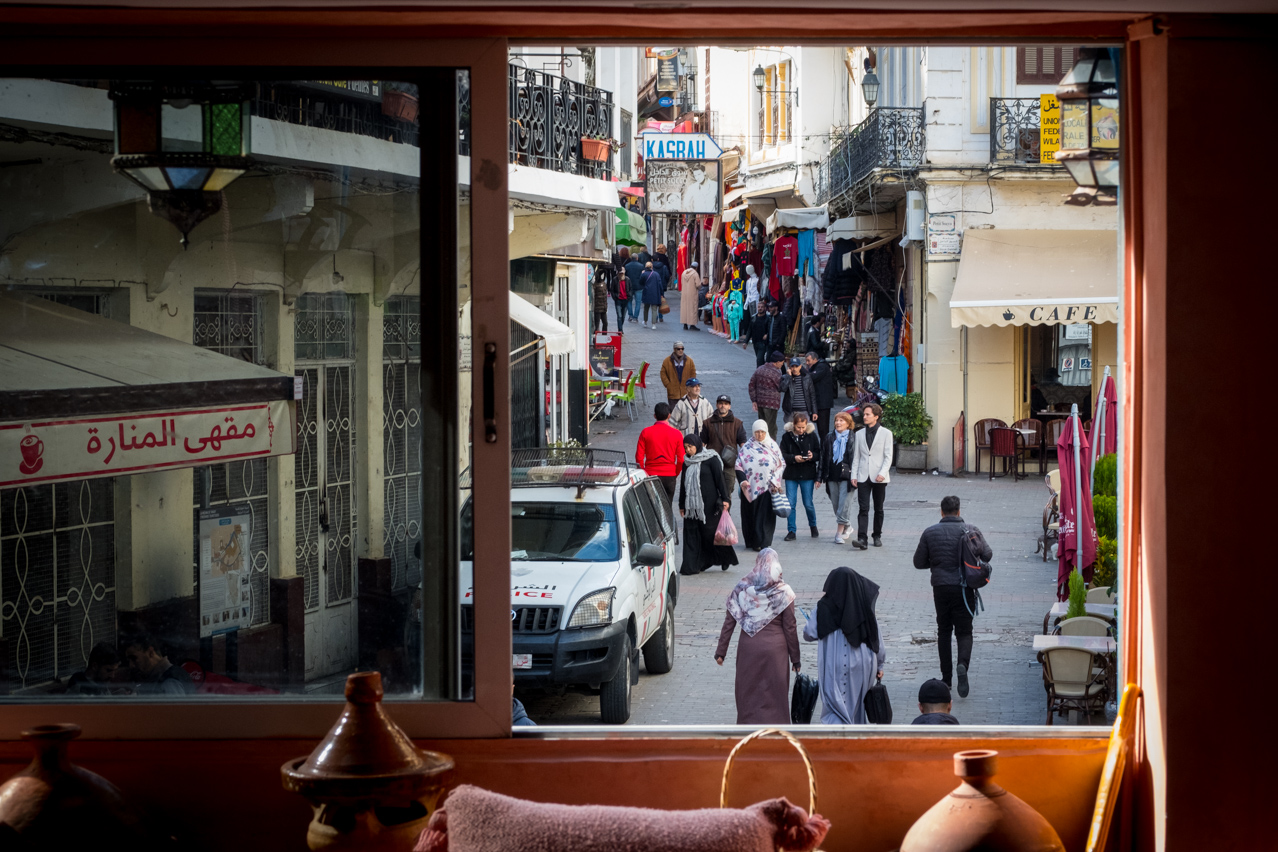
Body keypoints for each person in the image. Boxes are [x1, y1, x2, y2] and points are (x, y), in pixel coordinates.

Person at [912, 495, 992, 698]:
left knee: (944, 631)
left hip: (940, 587)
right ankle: (962, 665)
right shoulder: (970, 530)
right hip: (964, 587)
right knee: (964, 632)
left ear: (941, 511)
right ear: (959, 511)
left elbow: (918, 562)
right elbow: (988, 555)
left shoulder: (930, 532)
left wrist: (937, 563)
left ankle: (946, 679)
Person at [714, 548, 801, 725]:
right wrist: (795, 659)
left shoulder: (742, 589)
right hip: (776, 652)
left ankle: (748, 730)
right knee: (775, 693)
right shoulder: (784, 592)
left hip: (749, 649)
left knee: (748, 692)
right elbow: (790, 628)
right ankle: (777, 733)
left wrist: (721, 652)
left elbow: (729, 621)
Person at [801, 566, 886, 724]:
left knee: (835, 706)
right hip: (864, 664)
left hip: (835, 663)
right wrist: (880, 665)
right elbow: (877, 639)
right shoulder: (864, 606)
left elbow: (809, 634)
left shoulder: (823, 607)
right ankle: (855, 737)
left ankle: (838, 737)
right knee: (858, 706)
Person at [678, 434, 737, 575]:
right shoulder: (686, 463)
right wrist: (682, 505)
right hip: (691, 507)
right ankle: (692, 566)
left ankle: (724, 558)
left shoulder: (711, 459)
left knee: (711, 534)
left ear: (698, 445)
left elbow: (720, 481)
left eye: (690, 447)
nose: (688, 450)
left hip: (709, 506)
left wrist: (725, 499)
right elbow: (683, 485)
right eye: (685, 447)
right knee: (692, 534)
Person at [735, 420, 785, 551]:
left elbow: (781, 464)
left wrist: (775, 481)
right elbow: (738, 465)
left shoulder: (773, 446)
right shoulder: (747, 447)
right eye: (757, 432)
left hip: (768, 487)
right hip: (750, 487)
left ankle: (764, 541)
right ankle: (752, 541)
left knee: (765, 516)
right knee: (750, 515)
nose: (760, 435)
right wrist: (742, 481)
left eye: (762, 432)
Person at [849, 402, 893, 551]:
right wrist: (854, 475)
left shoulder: (886, 433)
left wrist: (882, 472)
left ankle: (877, 535)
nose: (865, 417)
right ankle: (862, 538)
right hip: (863, 475)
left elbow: (888, 456)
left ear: (876, 416)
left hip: (879, 476)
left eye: (868, 414)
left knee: (879, 508)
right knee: (863, 508)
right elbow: (857, 457)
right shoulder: (859, 433)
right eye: (864, 414)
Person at [816, 410, 857, 544]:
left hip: (847, 475)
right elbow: (823, 457)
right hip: (831, 475)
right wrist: (819, 477)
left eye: (842, 421)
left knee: (844, 505)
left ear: (848, 423)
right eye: (836, 421)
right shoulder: (829, 437)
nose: (838, 423)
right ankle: (848, 526)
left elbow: (857, 458)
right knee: (836, 504)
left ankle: (838, 533)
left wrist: (857, 475)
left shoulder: (853, 437)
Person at [779, 411, 821, 542]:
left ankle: (813, 525)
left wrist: (812, 456)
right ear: (793, 425)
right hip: (791, 473)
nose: (801, 430)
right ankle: (791, 530)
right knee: (790, 503)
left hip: (807, 473)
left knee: (808, 503)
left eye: (803, 427)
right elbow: (781, 454)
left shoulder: (812, 436)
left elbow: (819, 453)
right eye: (798, 427)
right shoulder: (786, 437)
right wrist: (793, 458)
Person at [635, 402, 685, 503]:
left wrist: (643, 472)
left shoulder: (646, 432)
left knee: (651, 509)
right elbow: (681, 460)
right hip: (669, 475)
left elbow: (639, 458)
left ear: (654, 416)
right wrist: (675, 473)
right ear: (669, 415)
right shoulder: (677, 434)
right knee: (667, 508)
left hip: (650, 474)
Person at [701, 394, 747, 501]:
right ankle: (714, 517)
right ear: (717, 405)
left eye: (726, 404)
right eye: (721, 403)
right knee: (711, 494)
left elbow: (743, 444)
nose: (723, 406)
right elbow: (702, 443)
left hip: (729, 465)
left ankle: (725, 517)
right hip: (712, 464)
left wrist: (745, 462)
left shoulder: (737, 423)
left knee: (727, 495)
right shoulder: (707, 423)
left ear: (729, 406)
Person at [122, 633, 195, 695]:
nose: (131, 665)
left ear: (150, 652)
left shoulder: (169, 682)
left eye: (134, 658)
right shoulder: (161, 677)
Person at [748, 351, 786, 439]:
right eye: (782, 362)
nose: (782, 365)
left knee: (762, 424)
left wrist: (754, 400)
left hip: (760, 402)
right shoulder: (776, 373)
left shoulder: (760, 369)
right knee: (771, 427)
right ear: (777, 362)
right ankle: (770, 446)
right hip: (771, 404)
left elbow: (751, 385)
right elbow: (782, 387)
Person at [805, 351, 835, 440]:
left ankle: (825, 450)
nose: (807, 363)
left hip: (823, 402)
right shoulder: (815, 367)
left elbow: (812, 378)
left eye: (808, 361)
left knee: (823, 429)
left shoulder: (822, 367)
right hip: (818, 402)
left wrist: (802, 371)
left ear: (815, 359)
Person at [781, 357, 817, 424]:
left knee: (804, 432)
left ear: (800, 366)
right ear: (789, 367)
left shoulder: (807, 378)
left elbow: (812, 395)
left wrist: (814, 411)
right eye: (792, 366)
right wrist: (789, 377)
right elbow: (782, 388)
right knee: (790, 432)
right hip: (790, 411)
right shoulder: (786, 377)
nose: (794, 369)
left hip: (804, 410)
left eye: (796, 366)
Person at [660, 342, 696, 408]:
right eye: (678, 349)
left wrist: (690, 385)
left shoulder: (689, 361)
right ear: (674, 349)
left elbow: (693, 373)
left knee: (686, 413)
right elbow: (663, 373)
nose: (681, 350)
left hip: (686, 393)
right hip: (673, 394)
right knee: (674, 414)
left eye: (682, 349)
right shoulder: (667, 361)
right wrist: (668, 385)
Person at [742, 300, 770, 366]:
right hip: (755, 341)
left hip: (763, 343)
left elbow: (771, 329)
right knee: (759, 358)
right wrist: (746, 341)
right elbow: (750, 330)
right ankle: (763, 371)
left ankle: (759, 374)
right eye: (759, 307)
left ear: (765, 308)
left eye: (762, 307)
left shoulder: (768, 318)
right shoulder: (754, 318)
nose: (760, 308)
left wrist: (767, 334)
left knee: (759, 360)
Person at [610, 247, 630, 333]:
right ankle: (620, 330)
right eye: (620, 273)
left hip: (625, 299)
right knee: (619, 316)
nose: (621, 274)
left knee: (623, 316)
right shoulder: (615, 279)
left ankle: (620, 326)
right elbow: (612, 289)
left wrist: (629, 296)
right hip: (618, 300)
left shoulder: (627, 280)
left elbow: (630, 288)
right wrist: (615, 297)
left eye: (622, 273)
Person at [623, 248, 645, 324]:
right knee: (638, 302)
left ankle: (630, 316)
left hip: (629, 287)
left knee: (629, 301)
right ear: (637, 258)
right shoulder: (641, 266)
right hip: (639, 286)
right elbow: (643, 276)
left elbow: (625, 276)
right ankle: (635, 317)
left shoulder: (627, 266)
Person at [640, 261, 664, 329]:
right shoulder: (656, 274)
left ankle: (645, 322)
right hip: (655, 293)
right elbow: (660, 284)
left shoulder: (644, 274)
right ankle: (653, 324)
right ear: (652, 267)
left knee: (646, 308)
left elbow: (641, 282)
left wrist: (641, 274)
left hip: (646, 292)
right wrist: (661, 293)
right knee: (654, 309)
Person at [680, 261, 702, 331]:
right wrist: (700, 288)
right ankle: (692, 324)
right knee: (692, 308)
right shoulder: (695, 274)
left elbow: (681, 282)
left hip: (684, 293)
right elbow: (698, 284)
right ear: (696, 267)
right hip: (692, 293)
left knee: (685, 308)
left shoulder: (684, 273)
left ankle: (685, 324)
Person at [591, 265, 610, 333]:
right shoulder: (596, 284)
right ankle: (598, 337)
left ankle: (603, 337)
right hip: (598, 307)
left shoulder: (602, 284)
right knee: (598, 323)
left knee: (603, 323)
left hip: (603, 307)